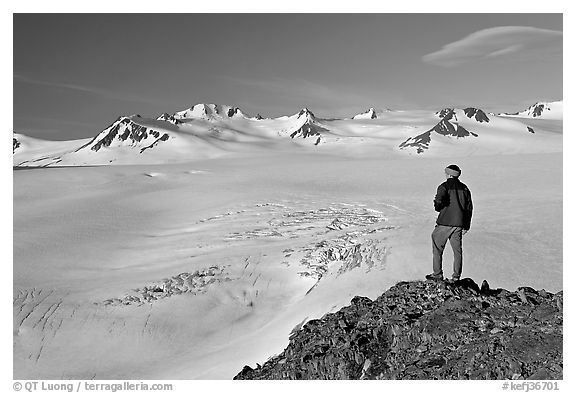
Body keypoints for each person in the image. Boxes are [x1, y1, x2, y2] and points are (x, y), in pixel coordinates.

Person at [426, 164, 473, 283]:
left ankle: (437, 274)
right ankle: (456, 277)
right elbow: (469, 208)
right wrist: (466, 225)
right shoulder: (465, 188)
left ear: (449, 174)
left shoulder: (444, 186)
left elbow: (438, 204)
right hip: (459, 224)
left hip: (445, 222)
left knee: (437, 248)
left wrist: (438, 204)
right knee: (457, 251)